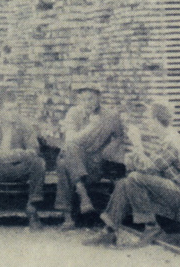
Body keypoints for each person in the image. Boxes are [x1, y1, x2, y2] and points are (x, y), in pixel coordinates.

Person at [85, 99, 180, 247]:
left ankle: (151, 226)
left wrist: (137, 144)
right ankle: (109, 230)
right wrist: (134, 157)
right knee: (124, 183)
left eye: (147, 118)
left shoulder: (172, 142)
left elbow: (148, 169)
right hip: (174, 188)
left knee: (133, 178)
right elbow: (150, 167)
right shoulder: (166, 138)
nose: (146, 122)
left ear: (155, 119)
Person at [54, 82, 128, 229]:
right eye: (83, 99)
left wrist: (109, 151)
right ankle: (82, 195)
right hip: (75, 161)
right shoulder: (73, 113)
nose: (87, 103)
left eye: (90, 99)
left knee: (65, 162)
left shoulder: (111, 115)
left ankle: (69, 215)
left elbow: (119, 137)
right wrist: (90, 127)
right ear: (78, 100)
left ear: (99, 97)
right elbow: (70, 140)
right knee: (66, 158)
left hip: (95, 166)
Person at [0, 92, 45, 229]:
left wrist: (17, 154)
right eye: (8, 109)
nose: (13, 113)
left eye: (15, 109)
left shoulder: (24, 123)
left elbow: (34, 149)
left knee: (38, 162)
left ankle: (32, 207)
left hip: (18, 167)